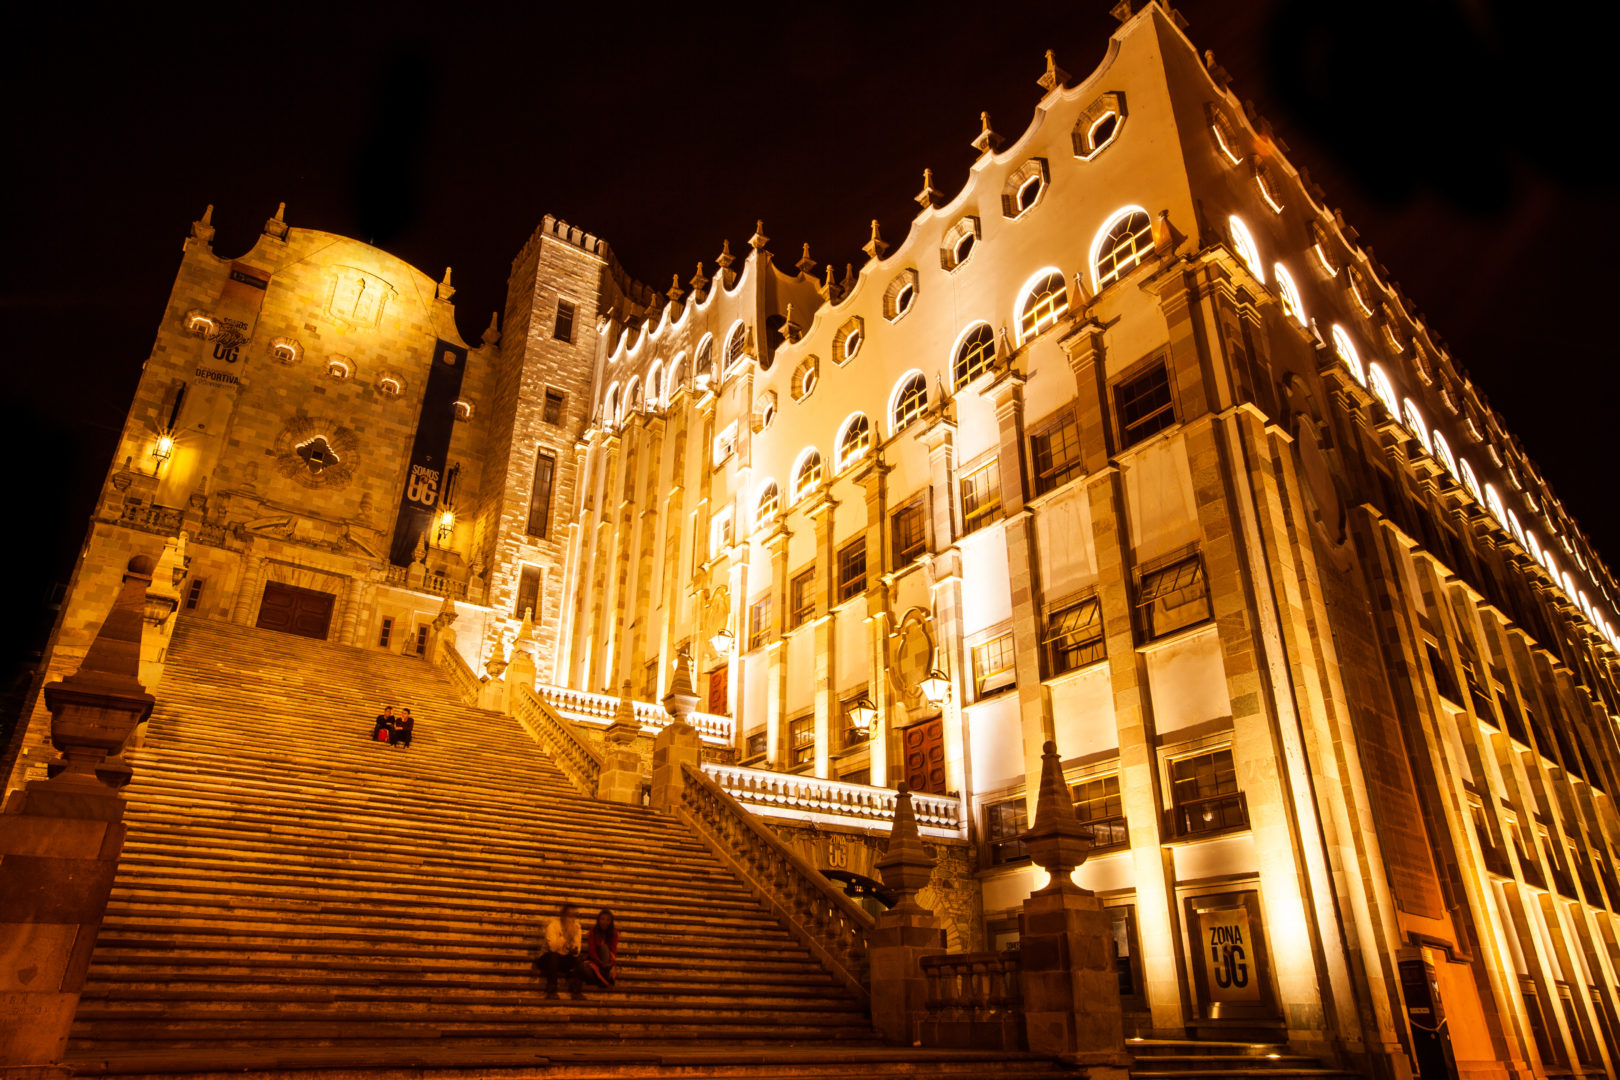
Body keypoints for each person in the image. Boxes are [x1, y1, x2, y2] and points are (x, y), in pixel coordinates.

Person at [537, 903, 584, 999]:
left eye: (574, 915)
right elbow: (553, 948)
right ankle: (552, 989)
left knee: (580, 959)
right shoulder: (553, 926)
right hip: (547, 958)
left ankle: (576, 990)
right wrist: (565, 936)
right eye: (569, 915)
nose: (572, 919)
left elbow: (577, 950)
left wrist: (573, 950)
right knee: (553, 956)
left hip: (563, 959)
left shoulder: (577, 927)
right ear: (563, 915)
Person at [582, 910, 619, 989]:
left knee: (604, 948)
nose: (604, 922)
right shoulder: (593, 931)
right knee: (584, 966)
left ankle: (603, 977)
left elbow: (613, 951)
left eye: (608, 920)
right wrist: (600, 963)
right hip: (595, 961)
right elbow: (591, 951)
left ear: (611, 922)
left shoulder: (614, 932)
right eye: (602, 919)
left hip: (607, 963)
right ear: (598, 920)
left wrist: (610, 963)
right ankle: (600, 980)